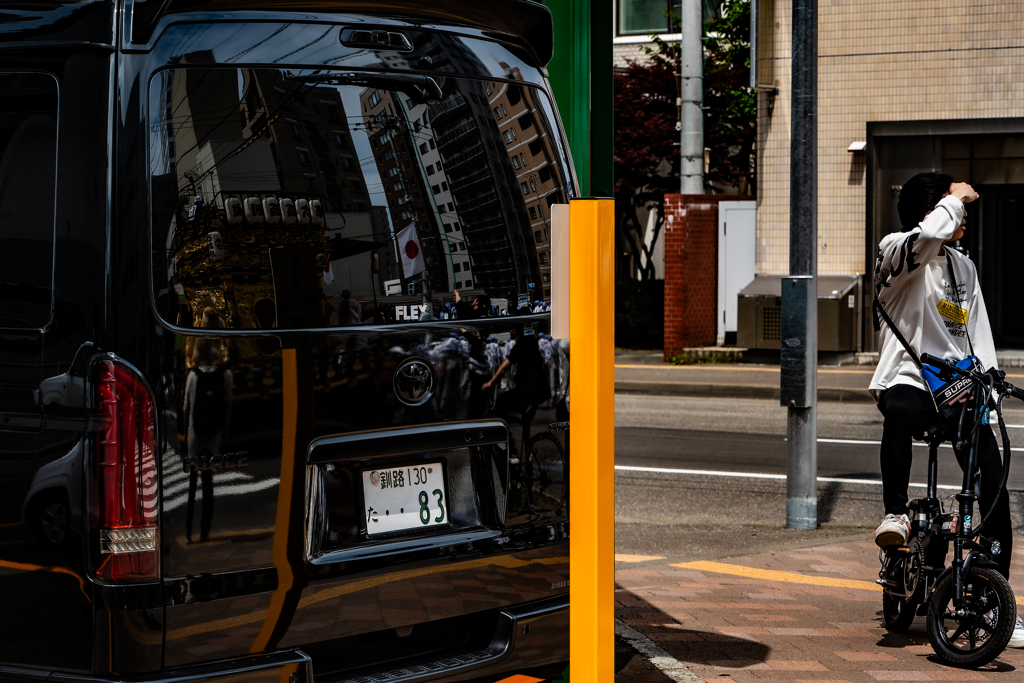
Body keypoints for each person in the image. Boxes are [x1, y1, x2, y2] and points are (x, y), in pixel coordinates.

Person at [870, 172, 1021, 644]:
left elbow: (976, 336)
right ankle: (896, 514)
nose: (964, 212)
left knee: (995, 483)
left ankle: (993, 600)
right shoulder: (895, 250)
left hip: (956, 389)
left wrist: (989, 398)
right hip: (911, 380)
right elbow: (927, 236)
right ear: (932, 209)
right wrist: (952, 199)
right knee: (899, 406)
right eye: (956, 204)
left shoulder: (964, 268)